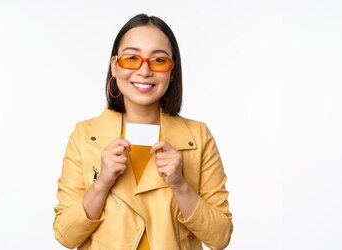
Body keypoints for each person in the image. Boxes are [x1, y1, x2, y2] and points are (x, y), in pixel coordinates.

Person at [53, 14, 233, 250]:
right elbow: (66, 235)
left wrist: (180, 185)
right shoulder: (85, 136)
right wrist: (102, 183)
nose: (145, 70)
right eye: (131, 58)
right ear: (115, 66)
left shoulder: (197, 137)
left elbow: (220, 238)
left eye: (158, 60)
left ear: (171, 71)